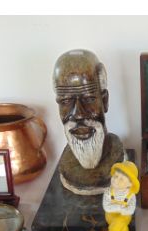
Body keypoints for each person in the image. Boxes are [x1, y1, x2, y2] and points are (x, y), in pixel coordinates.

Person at [53, 49, 125, 195]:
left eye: (89, 99)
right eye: (66, 101)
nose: (79, 115)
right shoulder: (65, 164)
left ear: (104, 101)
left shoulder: (117, 160)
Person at [102, 161, 140, 231]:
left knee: (121, 220)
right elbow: (107, 207)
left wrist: (117, 208)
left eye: (121, 179)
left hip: (125, 217)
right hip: (110, 217)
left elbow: (131, 210)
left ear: (130, 184)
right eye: (115, 176)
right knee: (122, 225)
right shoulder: (108, 192)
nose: (116, 180)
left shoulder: (131, 195)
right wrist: (121, 208)